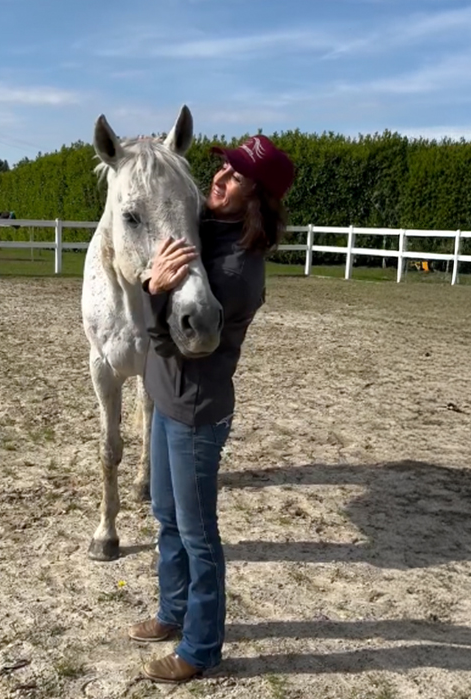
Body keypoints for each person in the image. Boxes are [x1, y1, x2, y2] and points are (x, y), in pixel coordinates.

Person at [130, 134, 295, 683]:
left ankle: (200, 649)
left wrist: (154, 291)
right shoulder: (201, 231)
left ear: (257, 199)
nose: (220, 179)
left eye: (236, 177)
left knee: (199, 533)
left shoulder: (235, 269)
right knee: (166, 516)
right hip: (167, 399)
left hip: (196, 411)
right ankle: (171, 612)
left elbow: (185, 344)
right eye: (222, 168)